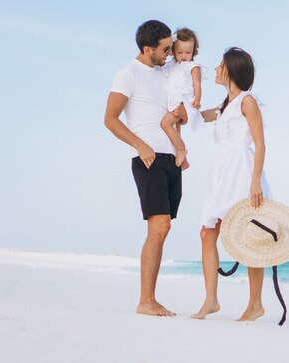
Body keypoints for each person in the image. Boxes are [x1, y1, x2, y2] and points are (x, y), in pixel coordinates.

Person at [104, 20, 188, 317]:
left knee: (163, 229)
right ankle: (146, 301)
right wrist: (141, 146)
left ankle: (150, 298)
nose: (169, 53)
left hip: (170, 159)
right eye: (165, 49)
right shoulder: (127, 74)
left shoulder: (164, 73)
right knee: (159, 225)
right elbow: (111, 119)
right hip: (148, 159)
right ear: (147, 48)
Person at [192, 47, 271, 321]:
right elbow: (197, 117)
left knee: (249, 236)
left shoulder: (247, 101)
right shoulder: (226, 105)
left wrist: (256, 181)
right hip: (220, 172)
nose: (215, 69)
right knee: (207, 232)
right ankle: (211, 300)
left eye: (219, 65)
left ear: (232, 70)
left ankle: (255, 304)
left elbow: (260, 143)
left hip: (241, 170)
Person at [160, 27, 203, 167]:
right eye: (180, 52)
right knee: (177, 130)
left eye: (188, 52)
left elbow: (197, 83)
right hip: (173, 101)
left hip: (182, 101)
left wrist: (197, 99)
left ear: (194, 51)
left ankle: (181, 149)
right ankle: (184, 160)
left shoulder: (192, 66)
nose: (184, 55)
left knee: (165, 124)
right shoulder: (171, 65)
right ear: (173, 50)